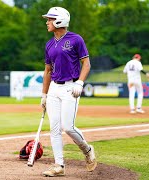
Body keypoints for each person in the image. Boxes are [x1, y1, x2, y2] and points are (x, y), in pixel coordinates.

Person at [40, 7, 97, 177]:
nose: (47, 22)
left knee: (68, 127)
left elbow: (86, 64)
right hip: (54, 89)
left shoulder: (76, 39)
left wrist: (80, 82)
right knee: (54, 128)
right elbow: (47, 71)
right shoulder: (49, 44)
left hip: (70, 88)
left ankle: (87, 149)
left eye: (50, 19)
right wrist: (44, 95)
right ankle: (59, 166)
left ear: (59, 21)